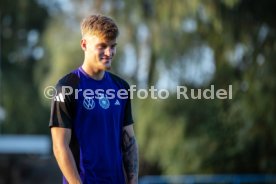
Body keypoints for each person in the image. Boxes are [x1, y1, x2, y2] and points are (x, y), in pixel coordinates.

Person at [49, 14, 139, 184]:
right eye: (102, 46)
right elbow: (60, 146)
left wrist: (133, 181)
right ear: (84, 44)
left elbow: (129, 141)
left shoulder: (121, 88)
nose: (109, 52)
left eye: (113, 46)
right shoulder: (67, 87)